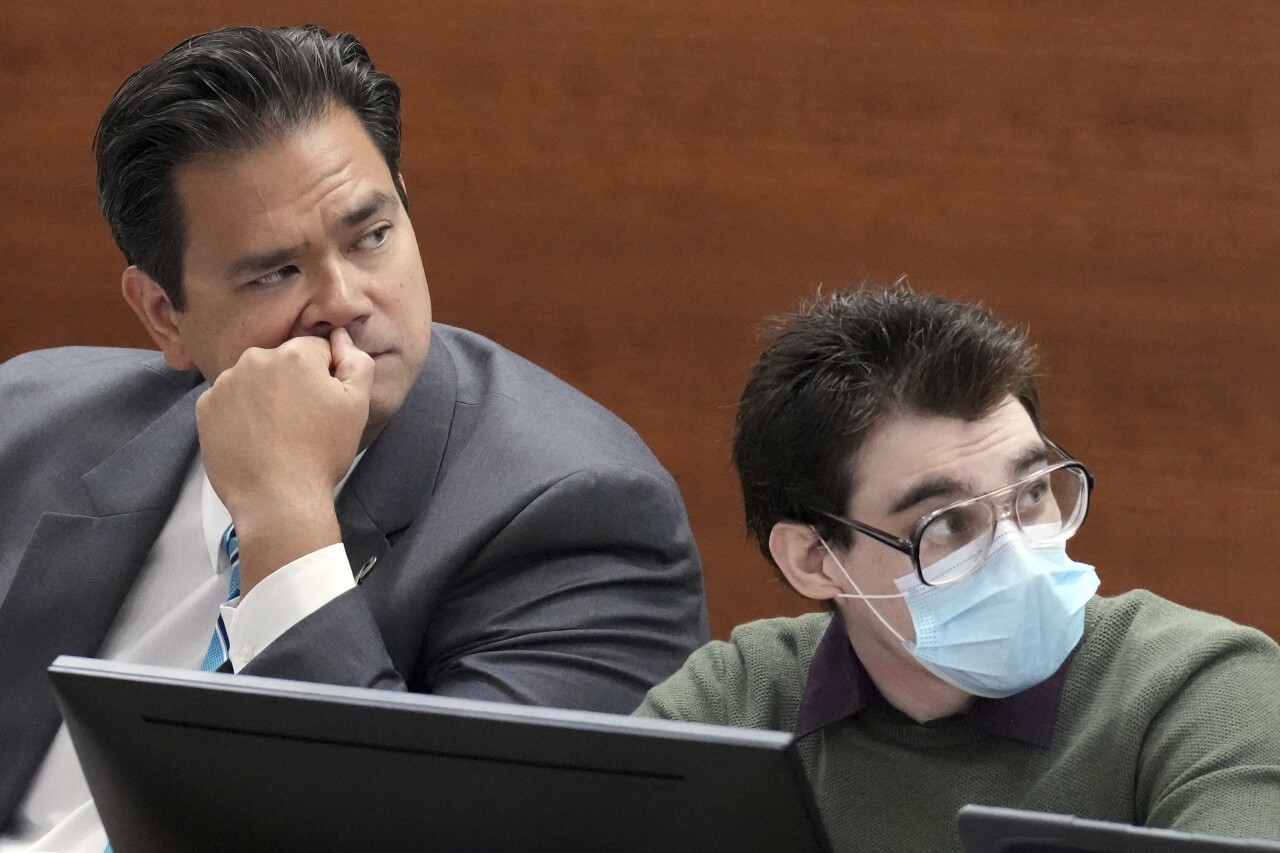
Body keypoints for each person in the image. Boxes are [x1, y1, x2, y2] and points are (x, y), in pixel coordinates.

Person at [0, 24, 708, 850]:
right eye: (275, 271)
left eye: (371, 236)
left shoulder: (583, 517)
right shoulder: (31, 418)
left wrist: (286, 518)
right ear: (164, 313)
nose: (345, 299)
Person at [636, 286, 1280, 851]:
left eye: (1032, 494)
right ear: (815, 561)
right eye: (945, 524)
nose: (1016, 551)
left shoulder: (1205, 690)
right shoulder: (735, 706)